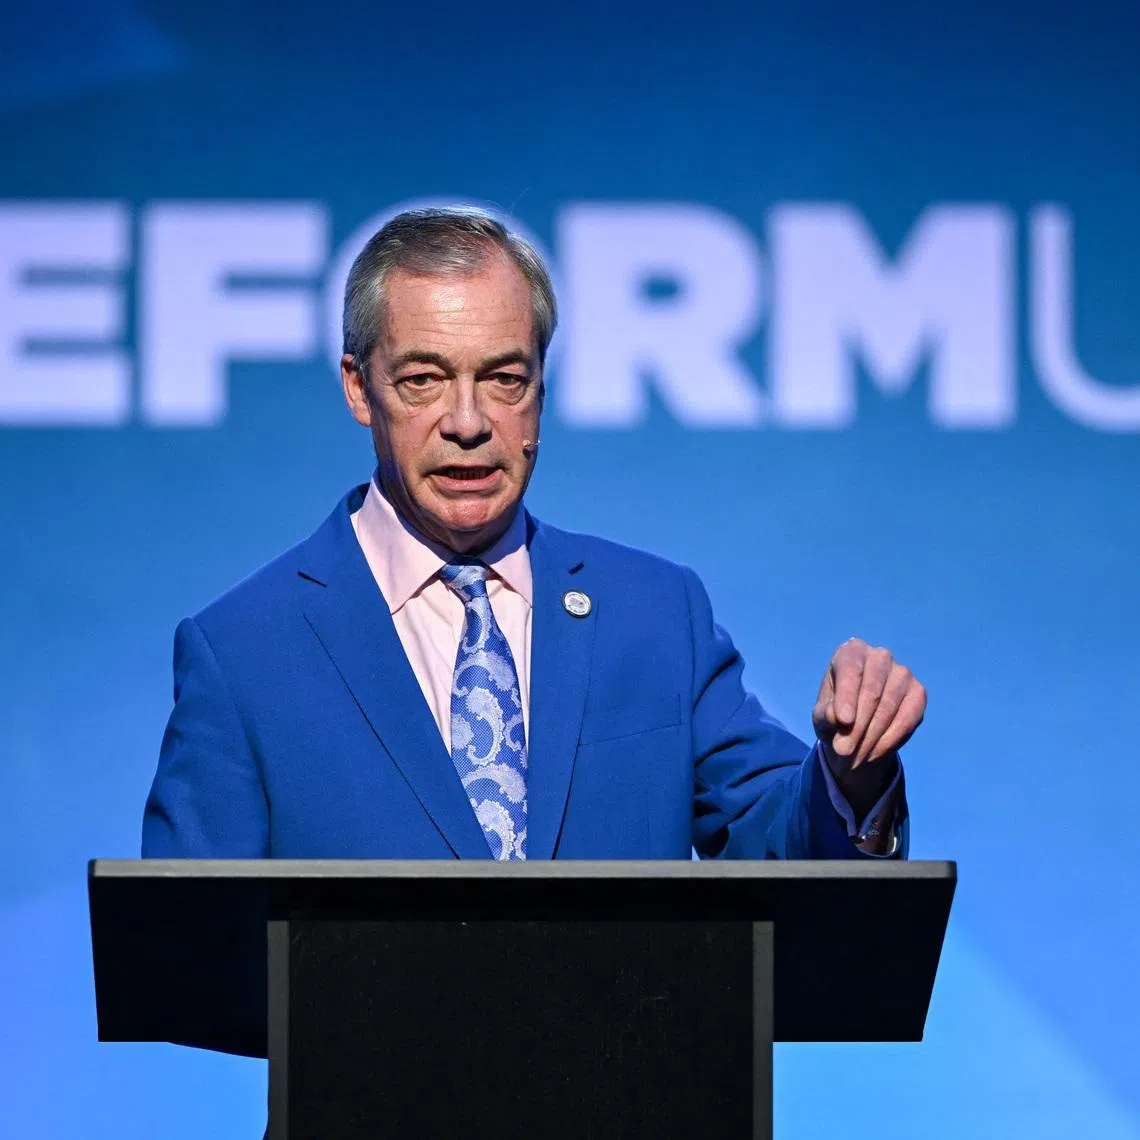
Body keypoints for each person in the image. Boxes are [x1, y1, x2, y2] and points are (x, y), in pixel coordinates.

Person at [142, 207, 925, 862]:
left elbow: (777, 838)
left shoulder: (655, 615)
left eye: (503, 378)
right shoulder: (244, 652)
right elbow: (196, 953)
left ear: (541, 385)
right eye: (423, 380)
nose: (469, 422)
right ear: (359, 388)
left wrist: (852, 773)